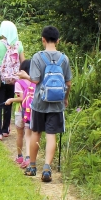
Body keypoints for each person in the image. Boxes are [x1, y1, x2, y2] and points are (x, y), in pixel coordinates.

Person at [17, 25, 71, 182]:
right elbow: (68, 83)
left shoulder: (37, 57)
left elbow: (34, 80)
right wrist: (65, 98)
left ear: (43, 40)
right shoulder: (64, 59)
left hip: (39, 102)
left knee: (36, 133)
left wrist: (25, 76)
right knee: (51, 135)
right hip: (57, 103)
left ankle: (32, 167)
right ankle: (47, 168)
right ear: (58, 41)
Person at [0, 21, 25, 140]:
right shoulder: (18, 45)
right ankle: (6, 130)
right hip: (13, 80)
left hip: (0, 79)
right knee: (9, 103)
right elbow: (23, 62)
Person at [5, 59, 33, 167]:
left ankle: (20, 156)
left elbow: (21, 98)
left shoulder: (19, 83)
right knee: (29, 135)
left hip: (20, 111)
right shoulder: (34, 81)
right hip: (31, 112)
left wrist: (11, 100)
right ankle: (29, 157)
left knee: (20, 134)